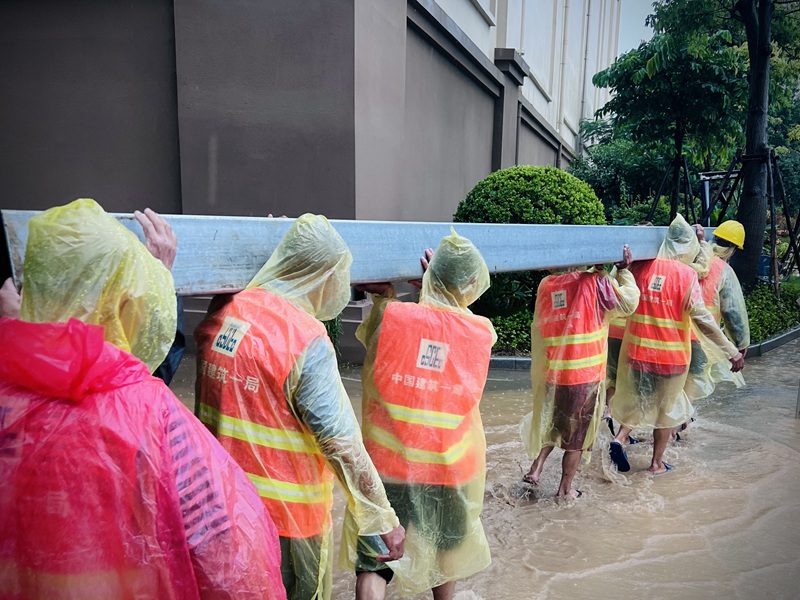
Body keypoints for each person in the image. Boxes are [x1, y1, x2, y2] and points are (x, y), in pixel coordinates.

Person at [0, 198, 286, 599]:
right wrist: (157, 278)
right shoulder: (151, 416)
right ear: (125, 303)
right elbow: (235, 572)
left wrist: (18, 327)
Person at [194, 213, 404, 600]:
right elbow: (340, 443)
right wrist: (382, 517)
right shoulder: (304, 338)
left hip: (215, 509)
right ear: (321, 276)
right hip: (286, 523)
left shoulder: (221, 314)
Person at [344, 230, 494, 600]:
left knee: (375, 560)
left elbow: (379, 327)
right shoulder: (479, 332)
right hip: (449, 469)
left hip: (387, 467)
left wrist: (403, 294)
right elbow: (454, 323)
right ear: (471, 285)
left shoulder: (393, 317)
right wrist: (438, 292)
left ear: (428, 277)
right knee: (445, 559)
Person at [609, 214, 745, 474]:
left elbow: (620, 288)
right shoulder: (686, 275)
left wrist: (623, 266)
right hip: (671, 360)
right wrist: (731, 352)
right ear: (689, 247)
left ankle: (620, 439)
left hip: (638, 353)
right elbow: (703, 319)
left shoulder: (640, 267)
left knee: (639, 400)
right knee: (666, 411)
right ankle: (656, 464)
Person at [521, 245, 640, 497]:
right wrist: (624, 271)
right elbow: (628, 303)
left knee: (555, 424)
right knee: (576, 439)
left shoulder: (546, 285)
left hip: (553, 373)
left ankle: (537, 467)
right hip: (583, 375)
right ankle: (565, 490)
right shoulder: (595, 282)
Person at [684, 221, 749, 402]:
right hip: (702, 340)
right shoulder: (724, 271)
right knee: (691, 390)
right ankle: (680, 426)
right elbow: (733, 313)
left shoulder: (687, 258)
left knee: (671, 389)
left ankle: (672, 427)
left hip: (672, 336)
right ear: (733, 249)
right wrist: (740, 344)